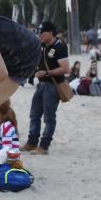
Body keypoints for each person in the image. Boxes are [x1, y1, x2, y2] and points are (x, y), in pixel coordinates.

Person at [23, 21, 69, 155]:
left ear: (50, 33)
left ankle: (44, 146)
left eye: (42, 33)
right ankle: (32, 143)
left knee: (49, 117)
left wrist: (47, 73)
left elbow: (66, 69)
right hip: (41, 84)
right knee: (34, 114)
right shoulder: (42, 45)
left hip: (52, 86)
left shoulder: (60, 47)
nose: (39, 35)